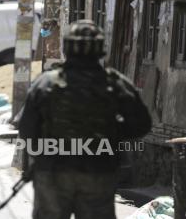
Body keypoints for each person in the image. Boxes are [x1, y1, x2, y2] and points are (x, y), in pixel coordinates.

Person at [15, 20, 152, 219]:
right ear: (100, 49)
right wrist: (110, 136)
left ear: (67, 48)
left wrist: (45, 151)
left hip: (53, 172)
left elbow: (26, 129)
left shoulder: (45, 83)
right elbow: (141, 124)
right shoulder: (115, 82)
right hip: (98, 171)